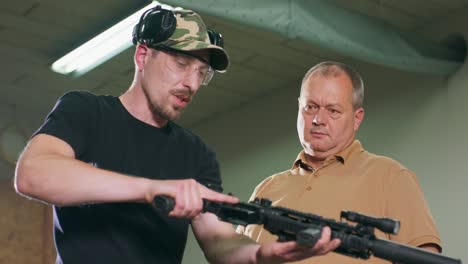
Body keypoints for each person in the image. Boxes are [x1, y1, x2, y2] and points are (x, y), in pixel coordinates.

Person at [14, 6, 340, 264]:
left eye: (202, 73)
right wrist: (151, 189)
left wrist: (262, 254)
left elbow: (218, 241)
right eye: (182, 64)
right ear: (143, 56)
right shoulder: (86, 111)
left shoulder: (194, 154)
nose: (192, 84)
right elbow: (32, 174)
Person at [237, 61, 442, 263]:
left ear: (357, 118)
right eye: (310, 107)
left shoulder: (391, 177)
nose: (318, 119)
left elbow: (426, 259)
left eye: (333, 110)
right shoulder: (265, 189)